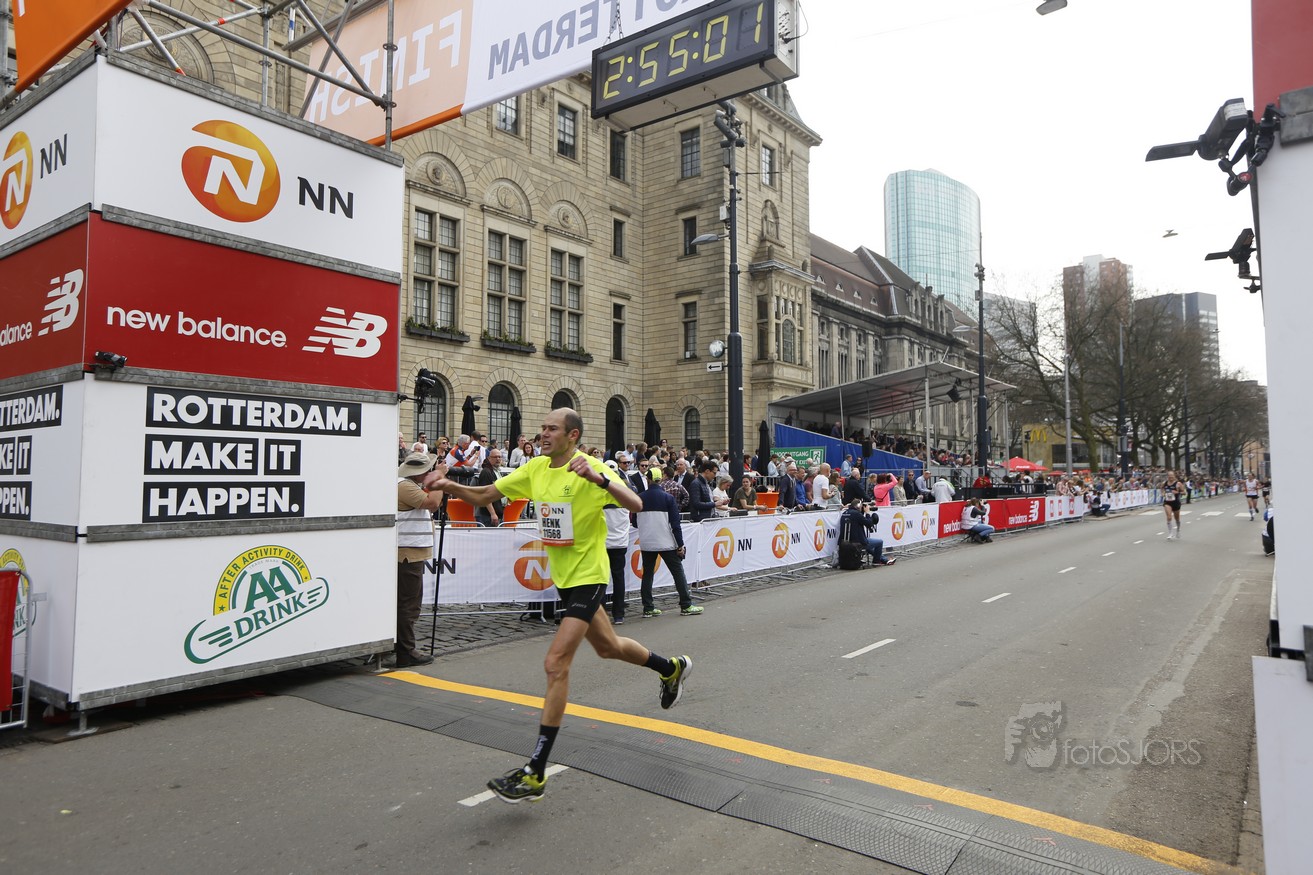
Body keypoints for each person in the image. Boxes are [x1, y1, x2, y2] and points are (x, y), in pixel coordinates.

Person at [429, 408, 692, 804]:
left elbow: (635, 503)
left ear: (572, 435)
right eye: (542, 428)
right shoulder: (536, 468)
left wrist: (600, 479)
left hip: (589, 576)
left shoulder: (590, 467)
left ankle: (535, 772)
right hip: (564, 580)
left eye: (552, 429)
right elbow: (484, 495)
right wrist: (448, 483)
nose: (543, 434)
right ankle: (670, 668)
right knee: (609, 647)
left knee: (555, 663)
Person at [396, 452, 444, 667]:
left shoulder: (407, 485)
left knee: (408, 602)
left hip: (410, 552)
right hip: (407, 553)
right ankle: (406, 652)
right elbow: (432, 503)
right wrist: (439, 479)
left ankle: (402, 648)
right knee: (409, 604)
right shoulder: (404, 486)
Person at [636, 480, 703, 618]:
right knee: (677, 572)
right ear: (660, 480)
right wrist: (680, 544)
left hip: (647, 542)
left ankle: (648, 607)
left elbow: (634, 522)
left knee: (647, 574)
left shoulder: (640, 497)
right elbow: (675, 524)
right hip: (666, 541)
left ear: (648, 480)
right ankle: (686, 604)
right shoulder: (668, 497)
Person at [838, 498, 896, 566]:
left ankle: (884, 560)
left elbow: (857, 520)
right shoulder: (856, 514)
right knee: (879, 542)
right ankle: (876, 561)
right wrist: (868, 513)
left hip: (844, 543)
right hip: (857, 543)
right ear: (858, 506)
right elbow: (869, 523)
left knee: (869, 547)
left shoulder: (845, 513)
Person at [473, 447, 507, 526]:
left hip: (498, 512)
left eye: (499, 457)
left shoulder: (497, 471)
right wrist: (493, 513)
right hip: (487, 515)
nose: (498, 459)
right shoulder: (486, 472)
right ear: (489, 458)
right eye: (495, 457)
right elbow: (485, 495)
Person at [1163, 470, 1185, 539]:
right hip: (1167, 502)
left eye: (1172, 476)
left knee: (1177, 518)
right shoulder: (1164, 483)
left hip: (1176, 502)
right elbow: (1162, 489)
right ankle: (1170, 533)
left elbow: (1184, 492)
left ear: (1174, 476)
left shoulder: (1178, 484)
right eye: (1169, 476)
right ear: (1167, 477)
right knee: (1169, 517)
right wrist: (1163, 493)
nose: (1171, 478)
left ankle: (1178, 530)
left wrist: (1177, 492)